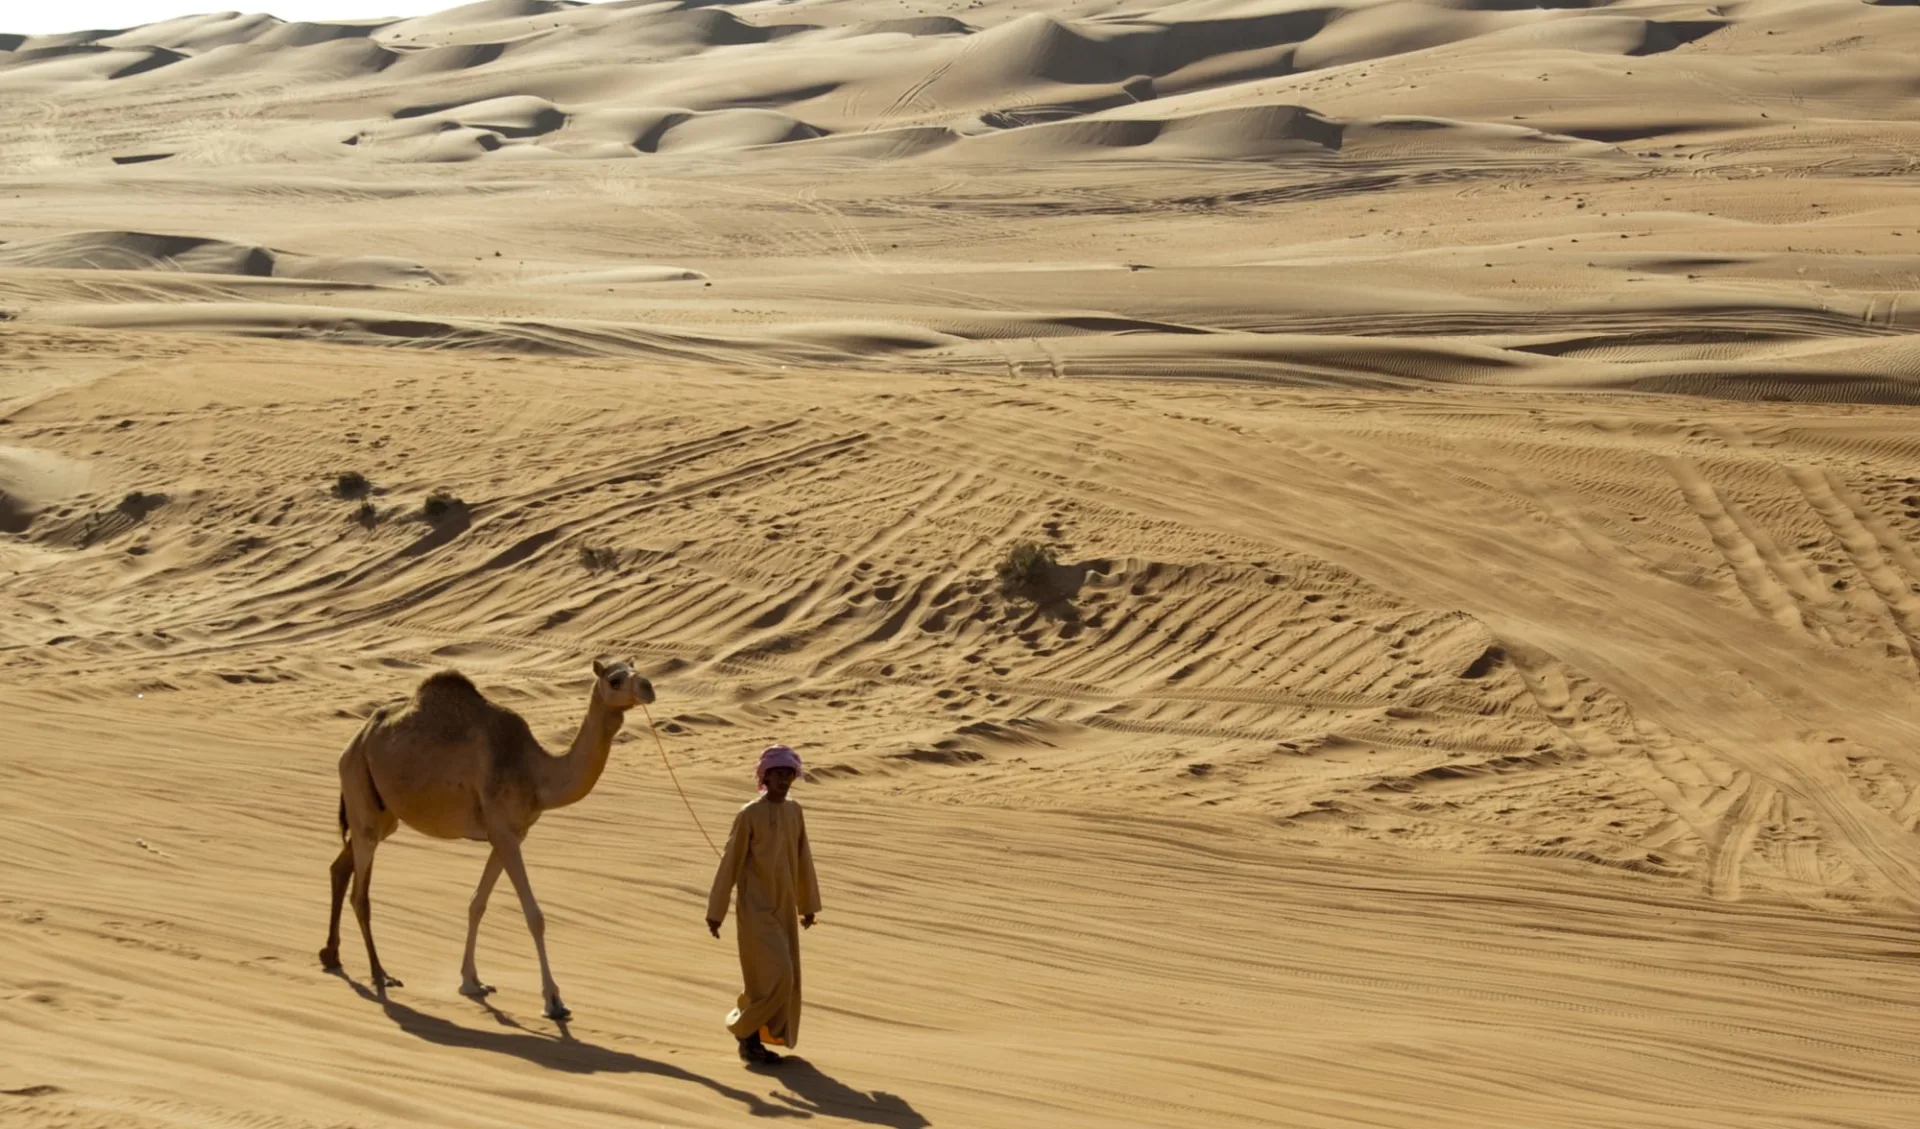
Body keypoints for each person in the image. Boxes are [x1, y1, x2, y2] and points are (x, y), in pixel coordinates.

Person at [706, 744, 821, 1065]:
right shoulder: (749, 815)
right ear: (764, 778)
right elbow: (729, 864)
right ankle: (743, 1029)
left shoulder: (794, 811)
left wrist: (807, 904)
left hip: (783, 907)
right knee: (778, 976)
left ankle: (753, 1043)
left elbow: (803, 858)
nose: (784, 780)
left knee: (779, 978)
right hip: (755, 910)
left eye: (789, 774)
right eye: (778, 774)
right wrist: (716, 912)